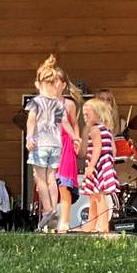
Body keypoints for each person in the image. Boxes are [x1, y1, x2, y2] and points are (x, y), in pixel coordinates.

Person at [95, 88, 137, 213]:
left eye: (108, 100)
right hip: (101, 164)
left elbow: (127, 147)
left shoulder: (121, 123)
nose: (105, 102)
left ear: (112, 103)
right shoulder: (92, 123)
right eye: (102, 99)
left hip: (119, 163)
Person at [26, 54, 65, 231]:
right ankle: (55, 206)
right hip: (55, 145)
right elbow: (61, 124)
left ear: (38, 84)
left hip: (40, 144)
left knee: (39, 178)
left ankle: (48, 208)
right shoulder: (58, 104)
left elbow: (31, 121)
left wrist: (29, 138)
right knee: (52, 178)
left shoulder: (36, 102)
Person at [79, 98, 120, 233]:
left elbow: (97, 148)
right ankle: (90, 225)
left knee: (98, 197)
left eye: (88, 114)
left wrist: (91, 166)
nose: (85, 117)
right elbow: (114, 150)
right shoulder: (107, 130)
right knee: (93, 199)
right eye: (84, 115)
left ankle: (103, 226)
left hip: (97, 166)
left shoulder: (95, 129)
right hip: (104, 165)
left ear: (98, 113)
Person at [54, 65, 83, 233]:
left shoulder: (69, 104)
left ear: (64, 85)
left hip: (65, 144)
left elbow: (73, 124)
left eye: (56, 81)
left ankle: (64, 222)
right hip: (50, 146)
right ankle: (48, 219)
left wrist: (76, 141)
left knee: (63, 184)